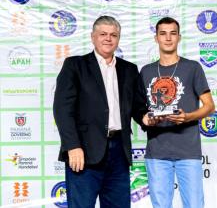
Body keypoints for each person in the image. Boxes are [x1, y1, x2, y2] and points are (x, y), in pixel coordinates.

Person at [53, 15, 149, 208]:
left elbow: (138, 107)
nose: (108, 38)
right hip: (84, 152)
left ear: (118, 39)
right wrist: (72, 146)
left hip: (119, 154)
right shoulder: (75, 65)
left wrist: (149, 119)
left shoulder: (129, 69)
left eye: (113, 35)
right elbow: (62, 110)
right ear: (93, 37)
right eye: (103, 34)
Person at [140, 17, 215, 208]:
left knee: (194, 205)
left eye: (172, 33)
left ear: (179, 37)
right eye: (163, 33)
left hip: (187, 151)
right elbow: (139, 110)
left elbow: (209, 106)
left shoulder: (192, 68)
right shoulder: (146, 71)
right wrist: (147, 119)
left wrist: (188, 117)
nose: (168, 38)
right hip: (157, 152)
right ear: (156, 38)